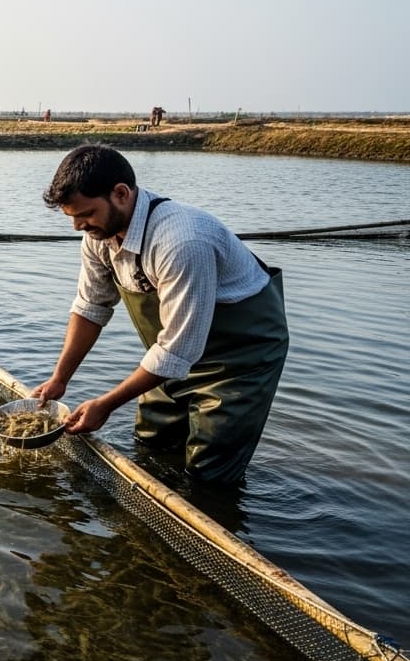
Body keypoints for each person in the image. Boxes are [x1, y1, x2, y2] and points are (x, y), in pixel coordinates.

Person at [32, 143, 288, 485]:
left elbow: (177, 350)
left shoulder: (181, 241)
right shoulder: (98, 236)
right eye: (72, 217)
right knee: (151, 443)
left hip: (238, 360)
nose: (78, 225)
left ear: (121, 193)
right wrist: (60, 378)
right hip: (171, 353)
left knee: (209, 471)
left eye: (86, 214)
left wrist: (106, 404)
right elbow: (91, 307)